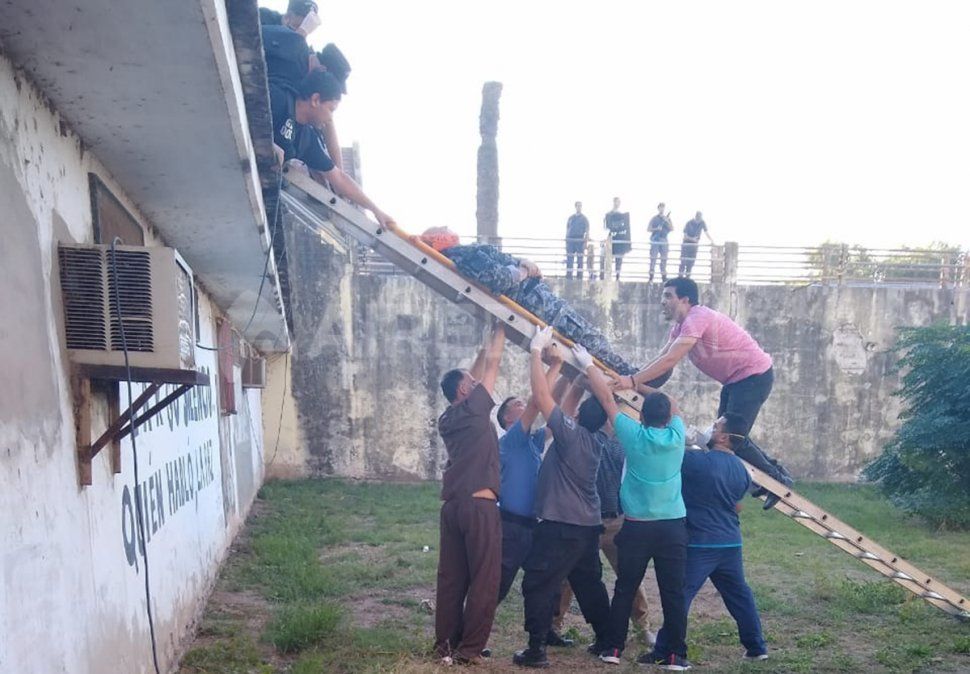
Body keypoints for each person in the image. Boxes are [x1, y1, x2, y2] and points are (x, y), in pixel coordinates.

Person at [612, 277, 794, 509]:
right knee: (723, 438)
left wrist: (633, 380)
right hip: (735, 381)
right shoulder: (679, 327)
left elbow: (670, 359)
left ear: (685, 300)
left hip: (753, 377)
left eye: (668, 296)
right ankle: (776, 475)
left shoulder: (698, 318)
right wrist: (635, 381)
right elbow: (662, 360)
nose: (662, 302)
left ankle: (778, 481)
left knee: (730, 439)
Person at [579, 346, 692, 670]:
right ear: (668, 417)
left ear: (641, 416)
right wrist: (638, 384)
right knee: (673, 592)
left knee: (625, 587)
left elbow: (605, 399)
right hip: (672, 525)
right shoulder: (677, 435)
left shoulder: (632, 434)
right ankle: (675, 655)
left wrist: (590, 366)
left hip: (638, 525)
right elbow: (672, 403)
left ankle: (613, 648)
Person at [512, 328, 613, 668]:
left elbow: (543, 400)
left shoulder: (573, 437)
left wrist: (536, 353)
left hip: (560, 527)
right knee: (588, 583)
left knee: (538, 584)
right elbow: (563, 409)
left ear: (580, 419)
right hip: (586, 527)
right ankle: (606, 639)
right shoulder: (591, 439)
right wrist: (574, 376)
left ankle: (536, 650)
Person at [418, 229, 643, 376]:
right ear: (439, 240)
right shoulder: (463, 255)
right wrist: (524, 269)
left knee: (590, 338)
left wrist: (522, 262)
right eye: (443, 230)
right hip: (537, 304)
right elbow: (499, 278)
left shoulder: (464, 253)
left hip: (539, 300)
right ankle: (630, 375)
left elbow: (503, 268)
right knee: (589, 339)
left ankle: (630, 374)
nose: (449, 229)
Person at [653, 413, 769, 662]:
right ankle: (756, 647)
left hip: (701, 542)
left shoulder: (696, 461)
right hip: (730, 541)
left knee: (680, 595)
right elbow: (737, 506)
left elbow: (665, 455)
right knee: (739, 594)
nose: (710, 428)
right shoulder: (742, 470)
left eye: (715, 426)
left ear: (724, 437)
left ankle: (666, 651)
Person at [433, 322, 506, 665]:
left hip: (453, 508)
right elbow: (492, 365)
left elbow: (478, 369)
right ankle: (470, 650)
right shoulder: (476, 409)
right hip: (479, 508)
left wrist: (487, 334)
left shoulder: (448, 417)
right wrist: (504, 326)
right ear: (465, 389)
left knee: (452, 579)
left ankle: (445, 645)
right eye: (471, 382)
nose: (478, 384)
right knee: (484, 579)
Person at [553, 411, 656, 647]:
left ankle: (643, 627)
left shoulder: (623, 442)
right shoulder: (583, 439)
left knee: (629, 574)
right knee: (569, 576)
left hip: (616, 519)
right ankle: (554, 625)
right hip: (587, 521)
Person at [270, 70, 394, 227]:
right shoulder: (277, 96)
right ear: (315, 100)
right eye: (331, 109)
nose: (330, 118)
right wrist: (268, 145)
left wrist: (376, 210)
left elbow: (339, 178)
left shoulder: (307, 139)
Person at [261, 1, 321, 89]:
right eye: (299, 26)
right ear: (287, 17)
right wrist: (299, 35)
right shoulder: (264, 16)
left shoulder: (303, 49)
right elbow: (257, 41)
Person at [603, 197, 632, 280]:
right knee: (609, 258)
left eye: (619, 202)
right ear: (613, 202)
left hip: (620, 238)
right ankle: (608, 276)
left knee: (619, 259)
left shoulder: (622, 215)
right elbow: (605, 227)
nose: (617, 203)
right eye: (616, 202)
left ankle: (617, 276)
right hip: (611, 238)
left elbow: (625, 227)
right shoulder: (608, 214)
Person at [678, 212, 713, 278]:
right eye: (698, 218)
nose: (699, 220)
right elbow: (685, 236)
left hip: (694, 246)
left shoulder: (702, 222)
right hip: (686, 244)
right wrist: (692, 239)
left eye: (700, 218)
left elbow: (706, 232)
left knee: (691, 263)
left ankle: (687, 278)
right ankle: (680, 277)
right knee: (683, 262)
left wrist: (712, 241)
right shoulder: (689, 223)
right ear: (695, 217)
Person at [648, 203, 674, 283]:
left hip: (664, 239)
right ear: (658, 208)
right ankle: (651, 277)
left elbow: (672, 228)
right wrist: (656, 229)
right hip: (655, 240)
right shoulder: (654, 218)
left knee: (664, 259)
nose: (662, 209)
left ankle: (664, 277)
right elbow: (648, 229)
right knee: (653, 259)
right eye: (660, 207)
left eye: (663, 207)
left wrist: (667, 222)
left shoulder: (667, 219)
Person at [565, 201, 590, 280]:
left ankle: (579, 277)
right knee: (570, 259)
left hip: (580, 240)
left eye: (580, 206)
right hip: (571, 240)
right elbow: (567, 228)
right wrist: (566, 240)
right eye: (578, 206)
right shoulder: (571, 218)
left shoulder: (584, 218)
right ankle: (569, 276)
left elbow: (587, 231)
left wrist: (585, 242)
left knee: (580, 260)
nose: (579, 207)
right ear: (575, 207)